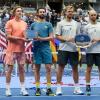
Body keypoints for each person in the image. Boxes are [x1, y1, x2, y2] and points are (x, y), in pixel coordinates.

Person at [55, 5, 84, 95]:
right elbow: (57, 36)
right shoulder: (60, 23)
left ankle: (77, 88)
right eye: (69, 11)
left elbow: (79, 37)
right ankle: (58, 88)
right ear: (65, 12)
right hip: (63, 49)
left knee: (75, 68)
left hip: (74, 49)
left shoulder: (77, 24)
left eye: (72, 11)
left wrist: (80, 42)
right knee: (60, 68)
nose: (70, 13)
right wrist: (67, 39)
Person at [4, 6, 29, 96]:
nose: (20, 12)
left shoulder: (25, 23)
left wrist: (28, 38)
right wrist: (20, 38)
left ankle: (23, 89)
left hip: (21, 50)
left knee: (22, 69)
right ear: (14, 12)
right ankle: (7, 89)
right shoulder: (9, 22)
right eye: (18, 11)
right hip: (11, 50)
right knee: (9, 70)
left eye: (21, 11)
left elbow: (25, 35)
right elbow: (8, 36)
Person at [30, 8, 54, 96]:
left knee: (48, 68)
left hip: (46, 48)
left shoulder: (49, 24)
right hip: (36, 49)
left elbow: (51, 37)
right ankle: (37, 88)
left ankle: (49, 88)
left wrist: (41, 38)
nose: (42, 13)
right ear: (37, 13)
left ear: (45, 13)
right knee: (37, 69)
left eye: (43, 12)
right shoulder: (33, 24)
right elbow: (30, 36)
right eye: (41, 12)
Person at [85, 10, 100, 95]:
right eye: (92, 15)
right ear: (89, 16)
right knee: (89, 69)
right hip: (90, 51)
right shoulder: (86, 27)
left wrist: (97, 40)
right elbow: (84, 40)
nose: (93, 16)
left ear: (96, 16)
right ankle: (87, 86)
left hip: (99, 51)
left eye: (95, 15)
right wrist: (86, 44)